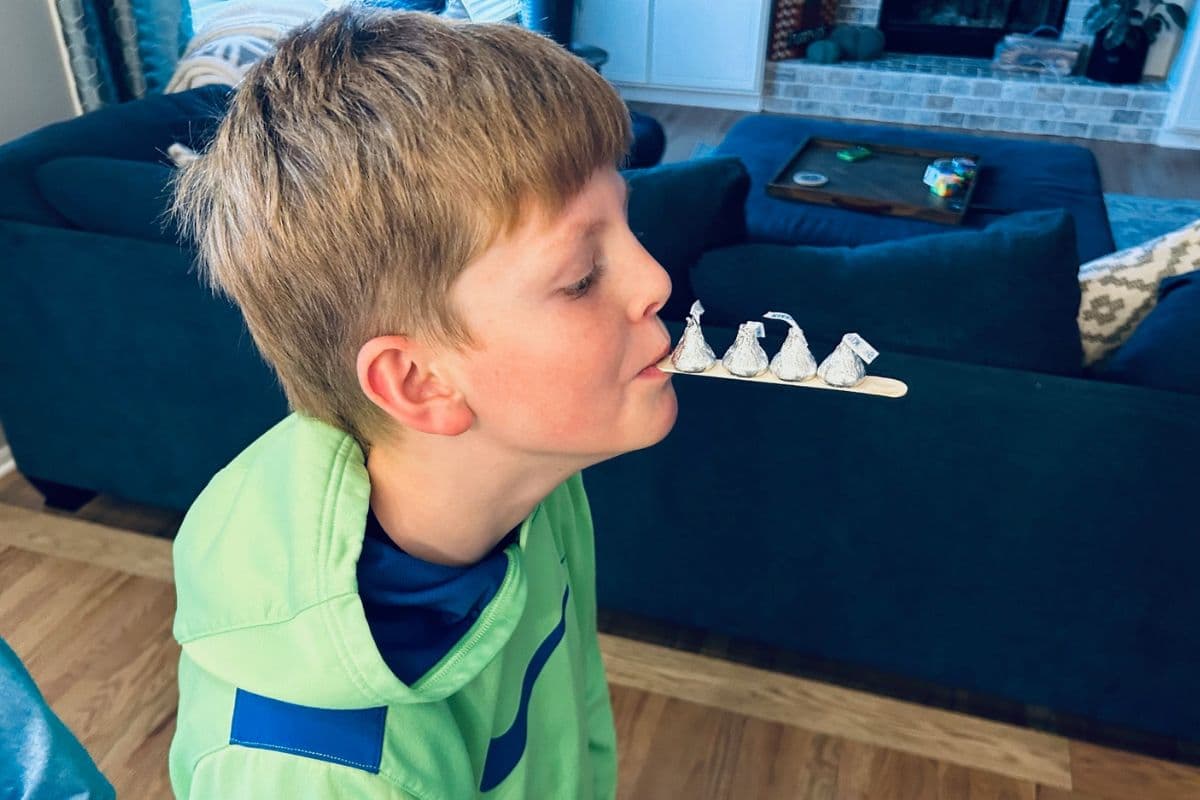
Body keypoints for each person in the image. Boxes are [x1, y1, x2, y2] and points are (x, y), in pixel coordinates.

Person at [167, 6, 677, 798]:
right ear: (421, 383)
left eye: (626, 221)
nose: (655, 281)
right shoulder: (311, 772)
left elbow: (569, 726)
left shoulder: (534, 481)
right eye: (580, 277)